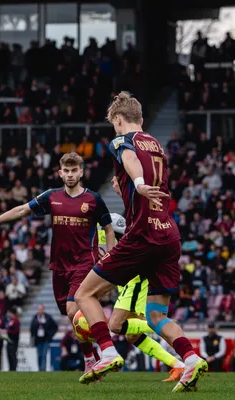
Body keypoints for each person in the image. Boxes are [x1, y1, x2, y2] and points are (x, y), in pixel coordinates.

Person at [74, 92, 207, 392]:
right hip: (168, 234)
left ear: (118, 120)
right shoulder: (156, 144)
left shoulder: (122, 141)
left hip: (143, 235)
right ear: (142, 119)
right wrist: (129, 187)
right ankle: (190, 358)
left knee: (85, 294)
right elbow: (145, 184)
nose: (115, 128)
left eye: (114, 124)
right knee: (156, 315)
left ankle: (108, 352)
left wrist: (137, 183)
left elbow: (131, 160)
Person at [0, 151, 115, 375]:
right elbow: (22, 209)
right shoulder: (52, 196)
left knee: (73, 309)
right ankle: (92, 356)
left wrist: (109, 257)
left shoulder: (93, 199)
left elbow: (108, 228)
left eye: (74, 170)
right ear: (60, 173)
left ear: (81, 172)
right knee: (71, 314)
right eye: (66, 171)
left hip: (83, 263)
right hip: (58, 266)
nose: (70, 175)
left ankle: (99, 354)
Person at [98, 210, 185, 382]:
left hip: (133, 281)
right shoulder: (108, 232)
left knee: (115, 325)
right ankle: (178, 365)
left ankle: (164, 324)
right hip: (129, 281)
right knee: (132, 336)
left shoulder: (109, 231)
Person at [30, 304, 58, 371]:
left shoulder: (48, 317)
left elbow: (55, 327)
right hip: (38, 340)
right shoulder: (35, 317)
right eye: (39, 309)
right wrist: (32, 338)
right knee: (39, 355)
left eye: (41, 309)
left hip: (45, 339)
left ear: (43, 309)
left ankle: (43, 369)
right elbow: (32, 329)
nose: (40, 310)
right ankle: (40, 369)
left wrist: (50, 334)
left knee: (44, 354)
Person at [6, 306, 20, 371]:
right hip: (9, 341)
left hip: (13, 341)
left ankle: (13, 369)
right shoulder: (11, 320)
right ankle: (11, 369)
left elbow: (16, 331)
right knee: (9, 356)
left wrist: (7, 331)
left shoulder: (16, 321)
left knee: (13, 356)